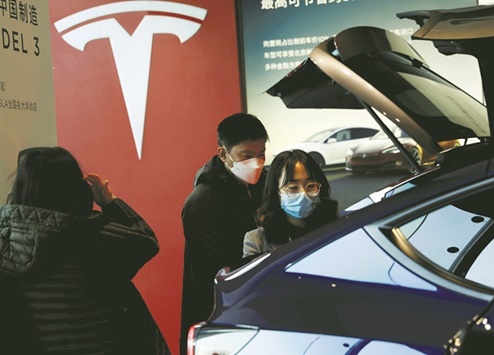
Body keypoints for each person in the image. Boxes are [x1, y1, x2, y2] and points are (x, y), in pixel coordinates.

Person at [0, 146, 170, 354]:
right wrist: (109, 201)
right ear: (73, 186)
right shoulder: (89, 233)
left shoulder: (4, 237)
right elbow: (146, 242)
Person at [180, 112, 269, 354]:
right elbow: (213, 270)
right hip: (221, 312)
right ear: (223, 154)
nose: (257, 163)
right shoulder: (202, 202)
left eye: (261, 154)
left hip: (258, 304)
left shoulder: (265, 185)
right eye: (247, 156)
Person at [243, 149, 339, 258]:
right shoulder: (257, 241)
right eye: (293, 188)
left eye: (311, 186)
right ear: (275, 192)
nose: (304, 194)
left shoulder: (337, 227)